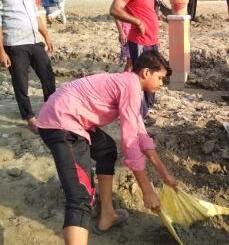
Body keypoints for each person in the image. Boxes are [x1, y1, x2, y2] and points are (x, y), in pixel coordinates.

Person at [36, 51, 178, 245]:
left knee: (107, 149)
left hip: (74, 118)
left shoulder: (130, 85)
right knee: (80, 199)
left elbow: (142, 137)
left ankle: (107, 216)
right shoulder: (131, 87)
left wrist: (165, 176)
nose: (161, 84)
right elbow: (129, 142)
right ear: (146, 72)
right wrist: (147, 190)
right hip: (60, 122)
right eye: (160, 78)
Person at [0, 0, 56, 133]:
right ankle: (30, 117)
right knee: (21, 84)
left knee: (48, 77)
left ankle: (51, 111)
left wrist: (47, 36)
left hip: (34, 40)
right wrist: (1, 51)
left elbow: (35, 13)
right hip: (14, 44)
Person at [110, 0, 160, 117]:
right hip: (139, 41)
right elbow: (114, 10)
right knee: (141, 78)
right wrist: (136, 21)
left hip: (152, 40)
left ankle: (149, 107)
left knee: (153, 74)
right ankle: (140, 113)